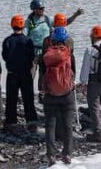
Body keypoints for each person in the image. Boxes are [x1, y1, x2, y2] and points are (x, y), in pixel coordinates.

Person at [26, 0, 84, 92]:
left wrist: (76, 15)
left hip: (46, 51)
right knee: (30, 75)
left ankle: (42, 94)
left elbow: (64, 23)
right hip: (33, 52)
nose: (43, 10)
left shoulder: (47, 19)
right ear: (34, 10)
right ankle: (28, 94)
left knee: (43, 74)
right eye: (40, 8)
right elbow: (24, 35)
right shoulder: (30, 22)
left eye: (43, 8)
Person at [41, 27, 76, 165]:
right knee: (68, 125)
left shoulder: (46, 56)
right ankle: (67, 154)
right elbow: (73, 72)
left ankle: (51, 156)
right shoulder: (69, 55)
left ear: (53, 40)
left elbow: (43, 74)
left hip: (50, 94)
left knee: (50, 125)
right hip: (67, 94)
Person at [1, 14, 39, 132]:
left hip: (12, 73)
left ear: (12, 25)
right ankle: (31, 122)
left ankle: (11, 122)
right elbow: (32, 56)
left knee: (11, 98)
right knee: (28, 97)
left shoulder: (7, 40)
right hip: (26, 73)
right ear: (23, 26)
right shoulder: (28, 40)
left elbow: (5, 56)